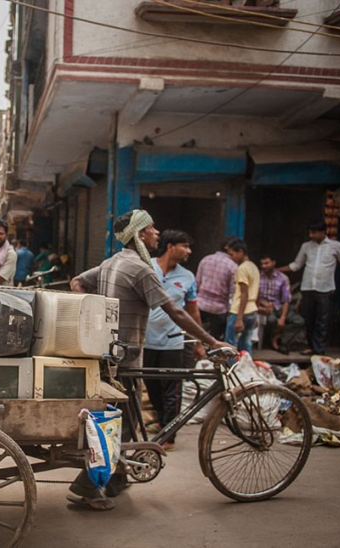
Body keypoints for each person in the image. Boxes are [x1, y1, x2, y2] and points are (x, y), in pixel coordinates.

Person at [68, 209, 234, 511]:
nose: (157, 233)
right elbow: (176, 311)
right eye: (152, 228)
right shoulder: (141, 269)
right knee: (117, 422)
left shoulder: (112, 263)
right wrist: (211, 341)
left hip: (110, 354)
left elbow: (77, 281)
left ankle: (116, 478)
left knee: (126, 419)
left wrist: (91, 315)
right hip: (126, 357)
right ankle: (89, 484)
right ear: (140, 234)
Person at [143, 230, 205, 452]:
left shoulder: (187, 277)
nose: (188, 251)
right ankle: (162, 423)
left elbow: (193, 312)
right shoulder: (146, 266)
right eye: (185, 246)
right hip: (146, 341)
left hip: (173, 342)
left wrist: (198, 342)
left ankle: (169, 436)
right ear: (170, 246)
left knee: (172, 390)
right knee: (152, 388)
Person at [279, 221, 340, 356]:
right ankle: (311, 346)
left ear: (323, 232)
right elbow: (296, 265)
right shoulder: (306, 247)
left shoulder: (335, 246)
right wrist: (277, 270)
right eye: (310, 232)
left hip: (325, 289)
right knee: (309, 319)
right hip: (308, 287)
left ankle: (319, 349)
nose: (311, 235)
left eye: (314, 233)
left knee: (322, 320)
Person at [196, 237, 240, 342]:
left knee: (195, 335)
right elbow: (232, 292)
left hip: (200, 304)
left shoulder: (206, 259)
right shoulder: (233, 266)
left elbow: (197, 283)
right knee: (215, 340)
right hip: (219, 309)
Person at [225, 239, 259, 354]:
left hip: (239, 310)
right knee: (246, 343)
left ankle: (231, 369)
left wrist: (239, 318)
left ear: (240, 252)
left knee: (230, 344)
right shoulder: (253, 267)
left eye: (232, 254)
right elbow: (256, 291)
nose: (231, 257)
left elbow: (244, 293)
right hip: (252, 310)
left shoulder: (242, 268)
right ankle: (245, 367)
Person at [257, 253, 291, 352]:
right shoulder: (258, 276)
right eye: (262, 264)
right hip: (263, 308)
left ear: (273, 263)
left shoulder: (283, 278)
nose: (264, 266)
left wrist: (283, 317)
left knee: (298, 321)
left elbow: (286, 299)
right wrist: (263, 303)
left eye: (266, 263)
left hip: (278, 306)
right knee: (271, 320)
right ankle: (270, 342)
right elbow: (253, 294)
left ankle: (277, 339)